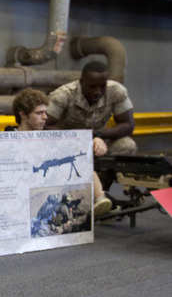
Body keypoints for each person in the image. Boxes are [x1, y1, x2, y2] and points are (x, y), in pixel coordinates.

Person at [47, 61, 136, 216]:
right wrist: (79, 139)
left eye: (102, 86)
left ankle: (103, 193)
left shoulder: (116, 91)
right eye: (92, 86)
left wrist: (98, 136)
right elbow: (42, 126)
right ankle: (89, 195)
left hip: (97, 140)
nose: (98, 91)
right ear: (82, 82)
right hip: (67, 144)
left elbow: (128, 125)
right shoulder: (63, 95)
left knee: (127, 145)